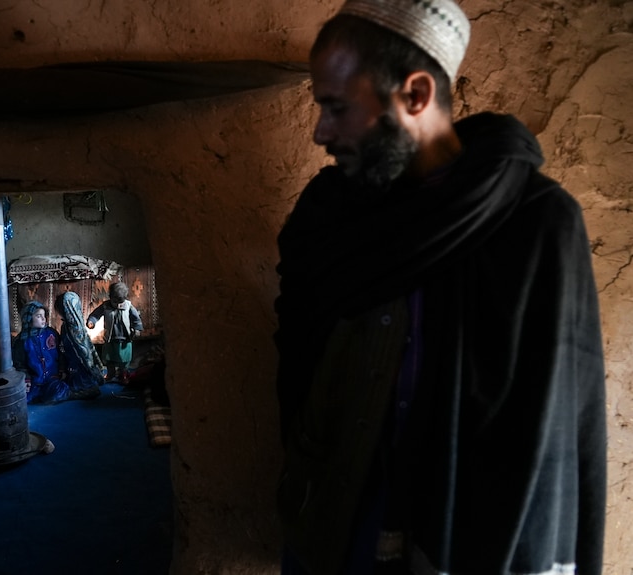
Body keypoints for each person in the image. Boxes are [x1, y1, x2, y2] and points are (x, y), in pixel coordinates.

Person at [274, 1, 607, 575]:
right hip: (336, 526)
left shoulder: (537, 225)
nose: (320, 132)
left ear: (416, 95)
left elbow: (555, 431)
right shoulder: (331, 215)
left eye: (337, 107)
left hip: (464, 543)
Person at [12, 300, 99, 403]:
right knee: (23, 397)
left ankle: (75, 394)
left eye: (44, 316)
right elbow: (19, 364)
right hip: (34, 380)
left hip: (52, 378)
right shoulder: (21, 341)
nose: (43, 319)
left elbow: (60, 353)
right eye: (39, 316)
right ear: (28, 318)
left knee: (56, 391)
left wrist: (62, 369)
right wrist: (26, 379)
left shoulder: (51, 334)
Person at [86, 281, 143, 384]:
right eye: (114, 302)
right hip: (110, 338)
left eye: (120, 302)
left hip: (125, 339)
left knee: (124, 359)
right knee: (108, 358)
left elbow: (136, 319)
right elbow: (95, 314)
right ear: (110, 297)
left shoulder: (129, 306)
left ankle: (123, 374)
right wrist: (91, 321)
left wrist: (137, 329)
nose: (117, 305)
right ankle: (110, 374)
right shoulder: (106, 306)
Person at [55, 290, 107, 391]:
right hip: (72, 363)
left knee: (82, 384)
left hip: (79, 366)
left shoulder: (75, 328)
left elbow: (84, 353)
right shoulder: (66, 326)